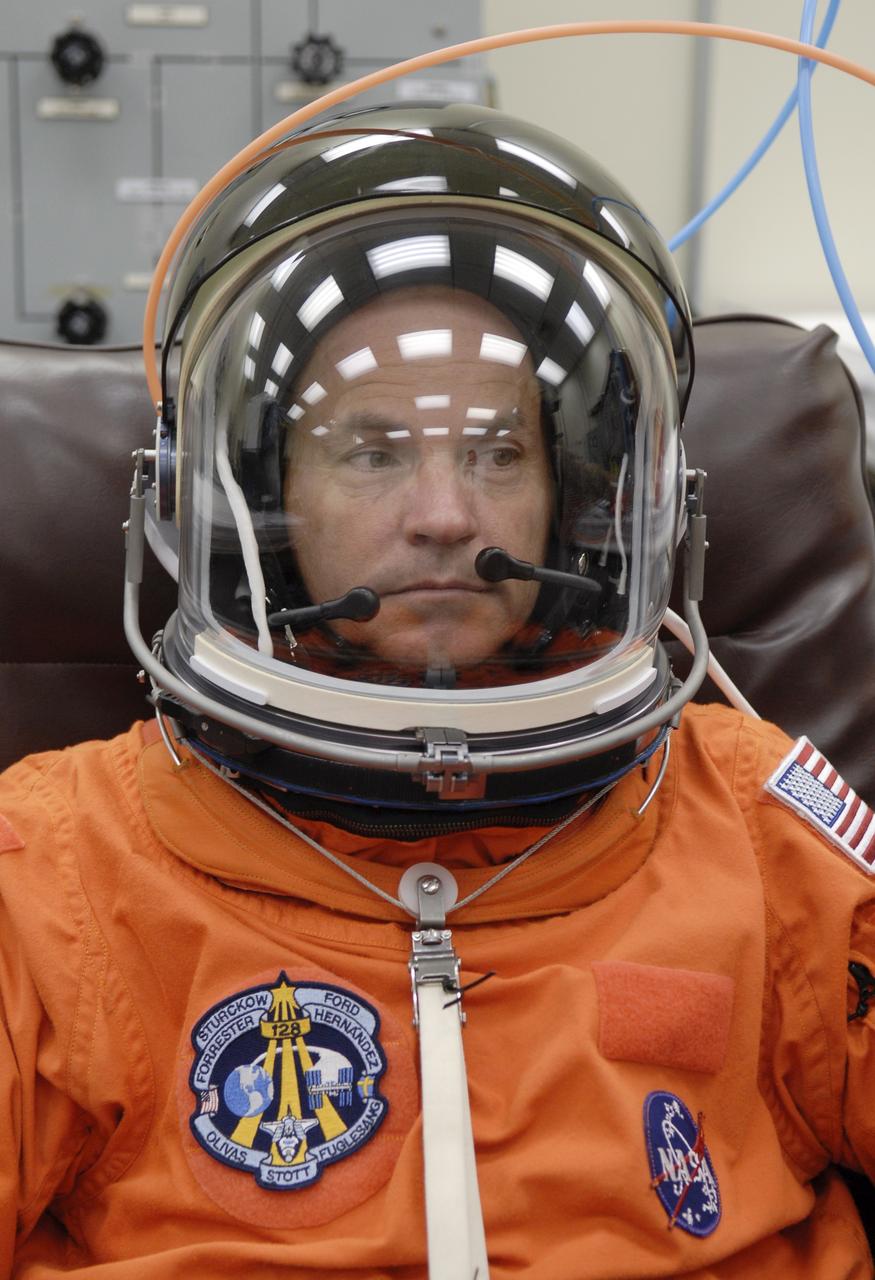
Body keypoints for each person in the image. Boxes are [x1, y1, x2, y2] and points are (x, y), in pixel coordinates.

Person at [1, 102, 874, 1279]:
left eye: (494, 452)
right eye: (373, 452)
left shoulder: (763, 832)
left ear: (577, 499)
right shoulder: (55, 871)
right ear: (255, 497)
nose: (445, 515)